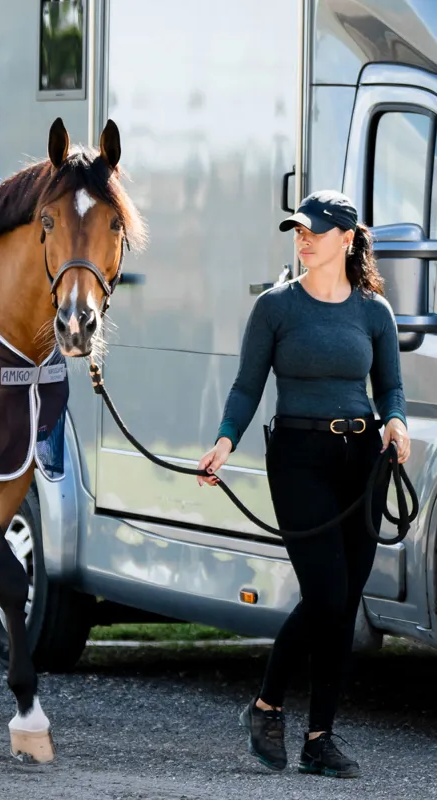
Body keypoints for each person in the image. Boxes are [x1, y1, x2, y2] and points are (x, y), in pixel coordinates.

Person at [197, 190, 410, 779]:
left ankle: (320, 738)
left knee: (343, 605)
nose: (304, 238)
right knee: (326, 593)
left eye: (315, 231)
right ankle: (266, 704)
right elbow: (245, 386)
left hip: (363, 459)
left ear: (346, 238)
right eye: (298, 231)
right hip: (298, 457)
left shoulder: (374, 312)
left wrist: (395, 422)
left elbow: (390, 387)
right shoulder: (276, 308)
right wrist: (224, 440)